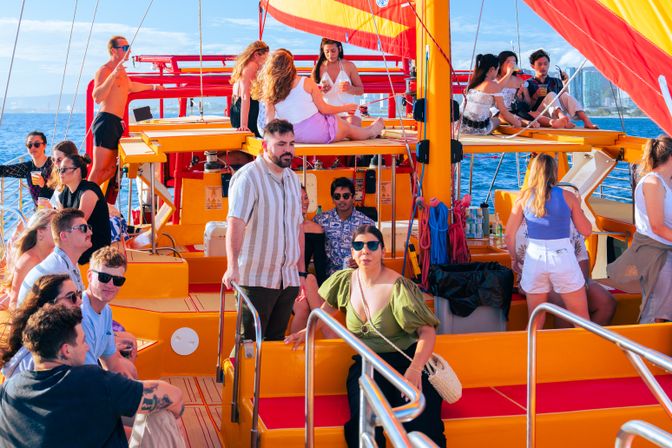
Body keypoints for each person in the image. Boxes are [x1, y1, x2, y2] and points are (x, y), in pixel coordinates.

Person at [285, 225, 446, 447]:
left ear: (382, 249)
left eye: (372, 245)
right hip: (367, 366)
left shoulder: (398, 286)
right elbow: (326, 310)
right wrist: (307, 330)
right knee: (362, 426)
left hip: (405, 364)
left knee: (422, 426)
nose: (365, 251)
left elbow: (427, 331)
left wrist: (415, 369)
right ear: (352, 252)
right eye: (358, 245)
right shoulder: (345, 281)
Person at [0, 304, 184, 447]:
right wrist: (177, 415)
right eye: (83, 341)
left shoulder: (9, 389)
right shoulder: (92, 381)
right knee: (160, 411)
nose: (88, 347)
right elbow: (173, 396)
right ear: (66, 350)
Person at [222, 119, 305, 341]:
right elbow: (235, 223)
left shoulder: (293, 179)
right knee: (248, 343)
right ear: (265, 147)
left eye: (291, 144)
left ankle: (269, 378)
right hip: (255, 279)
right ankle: (239, 377)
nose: (288, 150)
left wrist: (301, 273)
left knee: (275, 342)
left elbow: (298, 227)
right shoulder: (248, 177)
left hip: (287, 280)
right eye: (280, 144)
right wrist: (232, 267)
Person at [504, 153, 592, 329]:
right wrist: (578, 208)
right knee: (581, 319)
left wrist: (514, 258)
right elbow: (586, 231)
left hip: (534, 259)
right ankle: (584, 355)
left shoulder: (522, 198)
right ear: (555, 172)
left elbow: (509, 235)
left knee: (536, 320)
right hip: (562, 258)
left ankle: (533, 356)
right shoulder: (568, 196)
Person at [255, 49, 384, 144]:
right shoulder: (305, 82)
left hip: (292, 134)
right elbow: (324, 109)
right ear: (291, 66)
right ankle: (371, 131)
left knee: (339, 123)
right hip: (317, 131)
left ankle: (370, 130)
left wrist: (271, 141)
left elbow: (269, 120)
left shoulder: (269, 91)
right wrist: (345, 108)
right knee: (347, 128)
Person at [90, 35, 165, 195]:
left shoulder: (122, 71)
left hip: (117, 122)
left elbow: (130, 86)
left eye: (128, 47)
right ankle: (81, 206)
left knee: (111, 170)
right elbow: (97, 96)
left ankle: (94, 199)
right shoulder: (104, 70)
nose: (128, 50)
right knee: (98, 170)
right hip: (106, 121)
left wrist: (153, 87)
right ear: (113, 51)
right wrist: (113, 75)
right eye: (124, 48)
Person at [514, 219, 616, 326]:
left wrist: (582, 283)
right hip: (536, 278)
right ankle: (565, 342)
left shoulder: (569, 215)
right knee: (564, 303)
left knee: (606, 302)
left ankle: (586, 341)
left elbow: (581, 256)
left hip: (570, 275)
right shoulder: (525, 217)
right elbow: (521, 257)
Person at [625, 136, 672, 323]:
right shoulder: (653, 183)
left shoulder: (664, 183)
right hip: (656, 254)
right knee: (655, 311)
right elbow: (657, 226)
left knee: (664, 309)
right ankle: (644, 352)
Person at [0, 274, 82, 379]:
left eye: (79, 295)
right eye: (72, 297)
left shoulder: (60, 339)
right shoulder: (38, 356)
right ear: (49, 305)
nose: (80, 301)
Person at [17, 208, 91, 307]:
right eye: (83, 228)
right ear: (64, 236)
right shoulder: (56, 270)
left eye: (89, 227)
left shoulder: (68, 261)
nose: (90, 232)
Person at [82, 246, 137, 378]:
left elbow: (111, 363)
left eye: (118, 280)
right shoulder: (81, 315)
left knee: (130, 371)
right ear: (90, 276)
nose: (111, 285)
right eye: (104, 277)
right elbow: (87, 374)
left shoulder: (106, 311)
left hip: (86, 378)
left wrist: (134, 386)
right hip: (73, 386)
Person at [523, 49, 597, 129]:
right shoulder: (528, 83)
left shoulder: (556, 81)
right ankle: (563, 120)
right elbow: (527, 108)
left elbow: (564, 98)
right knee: (551, 94)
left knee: (564, 95)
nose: (543, 67)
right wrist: (535, 96)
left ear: (548, 64)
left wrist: (565, 83)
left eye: (545, 64)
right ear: (532, 66)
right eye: (539, 64)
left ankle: (586, 121)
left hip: (556, 114)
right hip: (541, 116)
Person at [58, 153, 111, 264]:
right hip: (78, 240)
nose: (60, 173)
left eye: (63, 170)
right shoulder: (65, 193)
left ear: (77, 171)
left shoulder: (88, 191)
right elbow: (60, 220)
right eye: (59, 170)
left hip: (95, 246)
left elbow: (77, 224)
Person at [314, 177, 374, 275]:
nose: (341, 200)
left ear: (353, 198)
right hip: (329, 280)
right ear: (333, 199)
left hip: (358, 278)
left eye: (346, 196)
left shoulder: (367, 223)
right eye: (337, 196)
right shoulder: (320, 221)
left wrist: (360, 261)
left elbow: (375, 253)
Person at [290, 186, 329, 333]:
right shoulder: (282, 226)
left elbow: (320, 264)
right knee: (310, 282)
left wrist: (324, 291)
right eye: (298, 199)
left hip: (303, 280)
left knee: (304, 307)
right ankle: (328, 334)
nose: (304, 202)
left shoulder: (315, 229)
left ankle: (294, 349)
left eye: (305, 197)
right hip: (284, 278)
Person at [4, 209, 57, 310]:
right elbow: (15, 302)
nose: (61, 229)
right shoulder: (29, 261)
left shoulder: (52, 254)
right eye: (56, 225)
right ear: (41, 232)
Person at [460, 54, 522, 135]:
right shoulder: (492, 85)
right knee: (497, 120)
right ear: (492, 69)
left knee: (489, 113)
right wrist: (517, 123)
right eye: (497, 69)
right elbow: (503, 111)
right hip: (477, 129)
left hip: (461, 127)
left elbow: (498, 87)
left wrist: (509, 73)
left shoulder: (474, 83)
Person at [312, 38, 364, 126]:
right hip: (327, 112)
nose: (330, 55)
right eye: (327, 51)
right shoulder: (318, 68)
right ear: (323, 51)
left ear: (339, 49)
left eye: (333, 51)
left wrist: (350, 89)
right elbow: (311, 94)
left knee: (352, 124)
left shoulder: (349, 66)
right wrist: (320, 91)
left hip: (348, 112)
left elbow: (361, 90)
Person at [0, 131, 54, 206]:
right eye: (29, 145)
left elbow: (61, 191)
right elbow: (4, 170)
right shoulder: (28, 167)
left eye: (37, 144)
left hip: (55, 211)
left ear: (44, 145)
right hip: (39, 212)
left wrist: (43, 185)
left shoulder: (54, 164)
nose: (33, 148)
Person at [230, 40, 269, 137]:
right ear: (256, 55)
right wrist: (244, 124)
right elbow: (245, 95)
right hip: (247, 110)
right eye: (265, 58)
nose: (266, 61)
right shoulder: (252, 66)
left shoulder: (243, 66)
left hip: (237, 108)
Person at [495, 51, 539, 128]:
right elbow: (496, 89)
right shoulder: (494, 78)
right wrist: (508, 73)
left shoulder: (519, 80)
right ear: (500, 64)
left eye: (514, 62)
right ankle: (526, 123)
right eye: (508, 61)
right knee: (503, 114)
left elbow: (528, 104)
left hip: (515, 110)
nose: (511, 64)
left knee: (535, 113)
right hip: (498, 111)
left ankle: (552, 122)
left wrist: (522, 93)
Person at [46, 140, 79, 207]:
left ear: (71, 160)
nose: (55, 164)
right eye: (53, 159)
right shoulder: (60, 180)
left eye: (59, 160)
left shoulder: (75, 185)